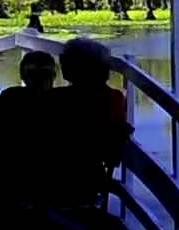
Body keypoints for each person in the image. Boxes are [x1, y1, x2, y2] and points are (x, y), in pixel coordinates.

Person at [46, 38, 132, 207]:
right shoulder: (113, 98)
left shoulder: (53, 99)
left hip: (54, 174)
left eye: (64, 61)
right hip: (92, 174)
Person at [0, 51, 58, 206]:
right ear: (53, 76)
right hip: (57, 182)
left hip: (14, 181)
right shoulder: (63, 103)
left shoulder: (9, 98)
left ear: (23, 77)